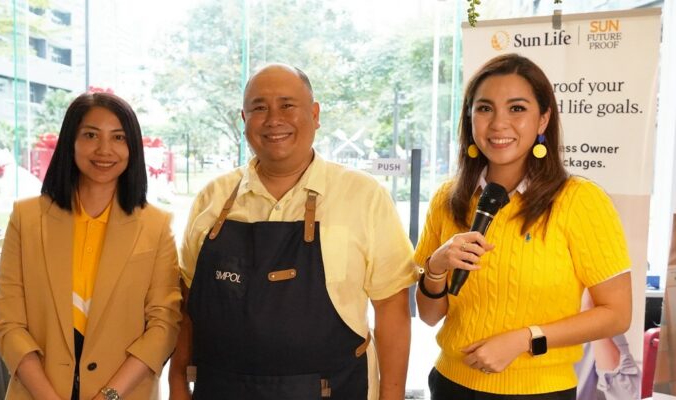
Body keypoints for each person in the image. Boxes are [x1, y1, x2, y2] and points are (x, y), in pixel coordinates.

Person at [169, 63, 416, 399]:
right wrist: (177, 382)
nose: (273, 119)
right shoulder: (212, 198)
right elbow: (187, 303)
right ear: (244, 121)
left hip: (335, 389)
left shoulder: (363, 195)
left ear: (314, 114)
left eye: (287, 105)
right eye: (259, 108)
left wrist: (391, 395)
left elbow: (392, 309)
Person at [414, 53, 632, 399]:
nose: (499, 124)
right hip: (450, 384)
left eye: (517, 108)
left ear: (543, 119)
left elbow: (617, 315)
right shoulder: (448, 198)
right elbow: (428, 316)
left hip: (540, 392)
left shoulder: (580, 200)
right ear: (469, 118)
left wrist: (526, 338)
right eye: (485, 108)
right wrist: (436, 268)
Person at [0, 92, 182, 400]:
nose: (104, 149)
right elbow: (9, 323)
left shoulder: (156, 226)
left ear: (132, 147)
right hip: (38, 391)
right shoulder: (26, 219)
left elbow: (164, 326)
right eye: (91, 135)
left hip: (123, 392)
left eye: (118, 137)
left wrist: (109, 395)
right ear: (71, 141)